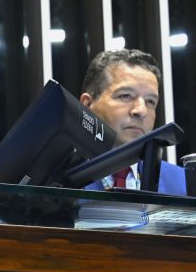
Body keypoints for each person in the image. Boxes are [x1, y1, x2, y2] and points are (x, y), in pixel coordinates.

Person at [78, 48, 186, 195]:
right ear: (87, 105)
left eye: (150, 101)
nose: (141, 111)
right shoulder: (51, 179)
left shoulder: (183, 183)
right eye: (126, 96)